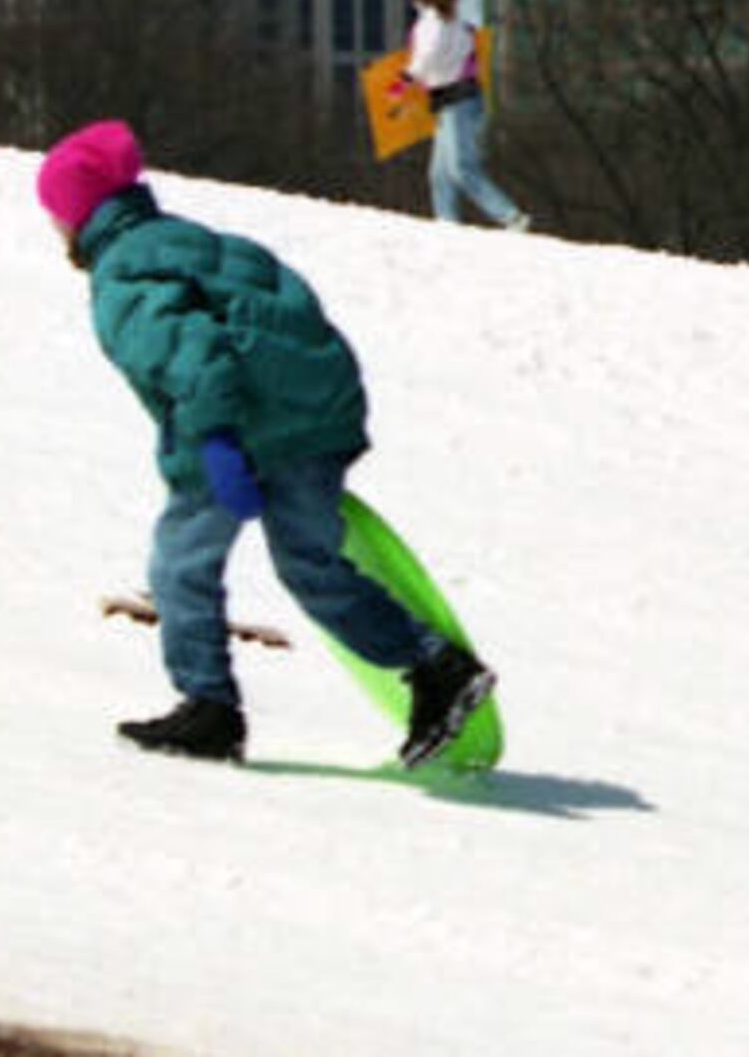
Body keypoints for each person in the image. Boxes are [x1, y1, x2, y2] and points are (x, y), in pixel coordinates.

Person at [39, 119, 494, 768]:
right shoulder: (193, 242)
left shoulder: (122, 276)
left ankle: (209, 710)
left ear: (77, 215)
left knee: (179, 566)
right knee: (311, 566)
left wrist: (219, 443)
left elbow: (195, 358)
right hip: (318, 416)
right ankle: (435, 666)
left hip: (240, 427)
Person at [393, 0, 529, 232]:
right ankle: (447, 226)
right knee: (440, 174)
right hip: (456, 100)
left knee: (461, 168)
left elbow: (427, 56)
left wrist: (405, 80)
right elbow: (464, 48)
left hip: (456, 101)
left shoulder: (432, 23)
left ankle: (510, 216)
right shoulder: (453, 20)